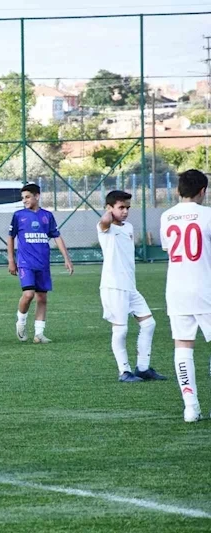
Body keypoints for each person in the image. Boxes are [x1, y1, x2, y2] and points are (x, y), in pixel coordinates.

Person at [159, 169, 211, 422]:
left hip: (177, 290)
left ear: (178, 190)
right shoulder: (208, 215)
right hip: (206, 288)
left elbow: (168, 248)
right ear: (203, 191)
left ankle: (190, 407)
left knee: (182, 345)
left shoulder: (166, 216)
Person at [98, 190, 164, 382]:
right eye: (121, 207)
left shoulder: (128, 227)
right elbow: (104, 222)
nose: (125, 211)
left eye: (127, 207)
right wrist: (108, 213)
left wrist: (116, 211)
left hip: (130, 287)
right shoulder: (105, 227)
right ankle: (124, 371)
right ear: (109, 208)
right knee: (121, 330)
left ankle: (142, 368)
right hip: (113, 287)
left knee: (149, 324)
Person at [7, 183, 74, 344]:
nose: (24, 200)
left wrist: (66, 258)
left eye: (27, 197)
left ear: (37, 196)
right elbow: (11, 237)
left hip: (43, 263)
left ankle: (39, 334)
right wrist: (11, 260)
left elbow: (56, 236)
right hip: (25, 262)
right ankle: (21, 322)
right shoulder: (18, 215)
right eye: (23, 198)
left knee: (42, 297)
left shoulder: (47, 216)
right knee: (28, 294)